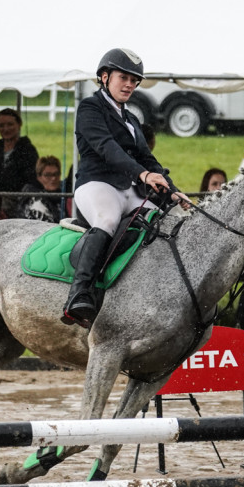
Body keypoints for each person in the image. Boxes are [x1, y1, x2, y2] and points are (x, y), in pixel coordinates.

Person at [61, 48, 191, 327]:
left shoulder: (131, 119)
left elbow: (147, 158)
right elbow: (107, 148)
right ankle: (79, 294)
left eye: (135, 80)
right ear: (105, 77)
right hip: (97, 184)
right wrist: (143, 175)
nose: (130, 84)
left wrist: (173, 190)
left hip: (130, 189)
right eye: (124, 78)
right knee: (107, 219)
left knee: (170, 220)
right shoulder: (89, 107)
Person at [0, 107, 39, 215]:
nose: (6, 129)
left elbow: (29, 180)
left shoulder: (28, 151)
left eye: (10, 124)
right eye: (1, 126)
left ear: (19, 125)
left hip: (19, 207)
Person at [17, 156, 66, 223]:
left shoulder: (64, 195)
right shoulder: (35, 199)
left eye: (56, 174)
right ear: (39, 177)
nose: (53, 178)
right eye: (48, 175)